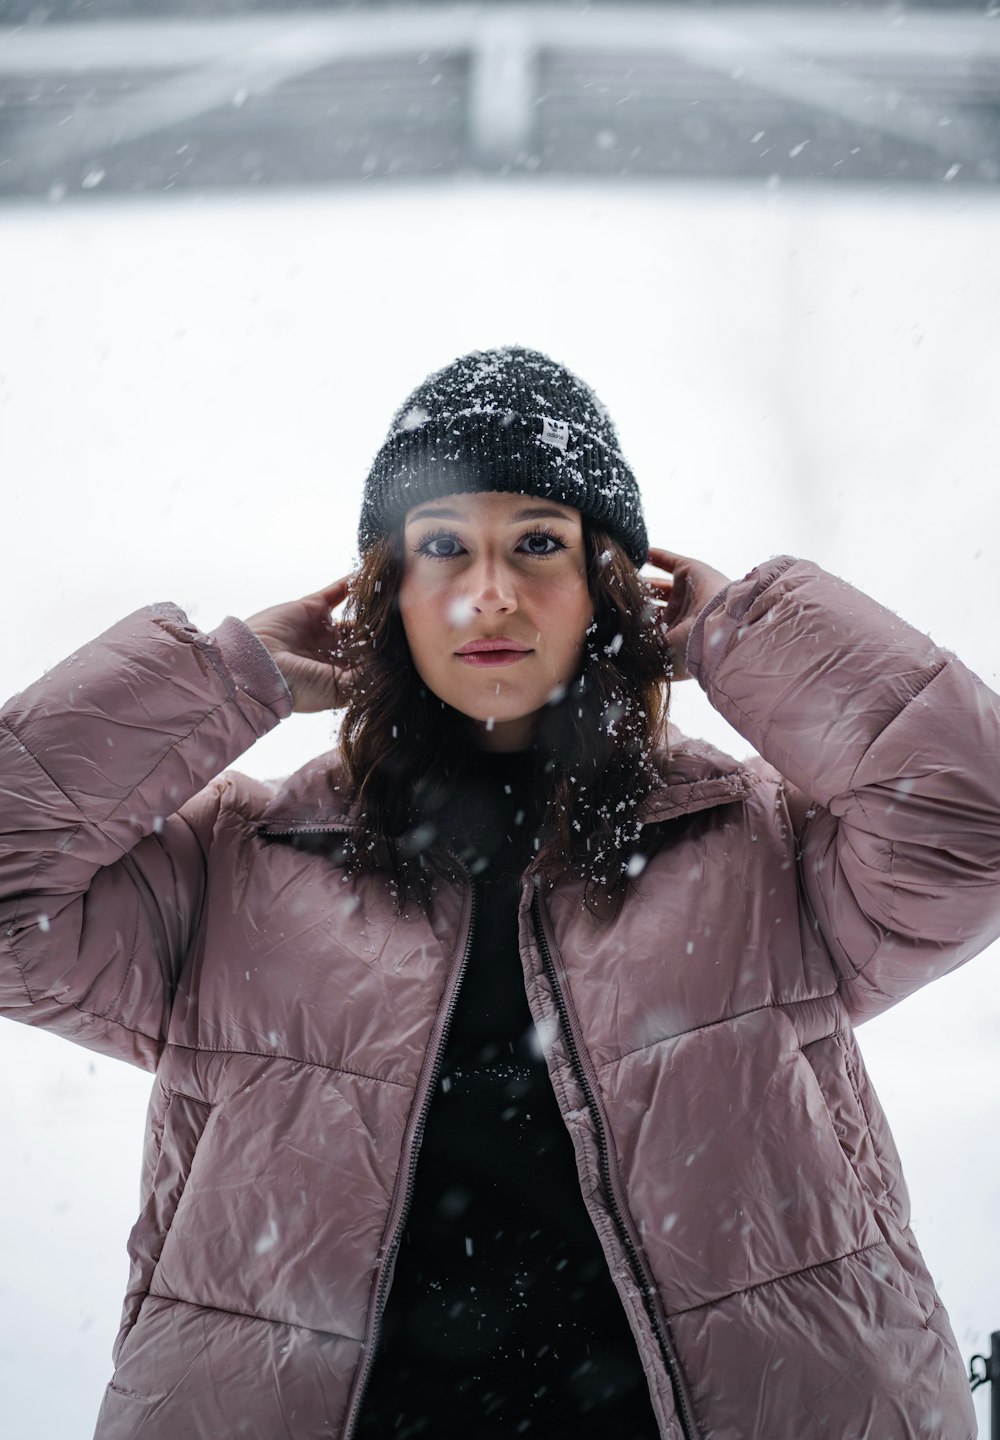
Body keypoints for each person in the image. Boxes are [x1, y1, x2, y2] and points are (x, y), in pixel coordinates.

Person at [0, 346, 997, 1440]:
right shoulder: (235, 861)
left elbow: (967, 825)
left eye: (537, 544)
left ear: (609, 583)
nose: (489, 593)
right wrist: (219, 677)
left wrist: (748, 637)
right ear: (384, 591)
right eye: (441, 548)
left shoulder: (759, 843)